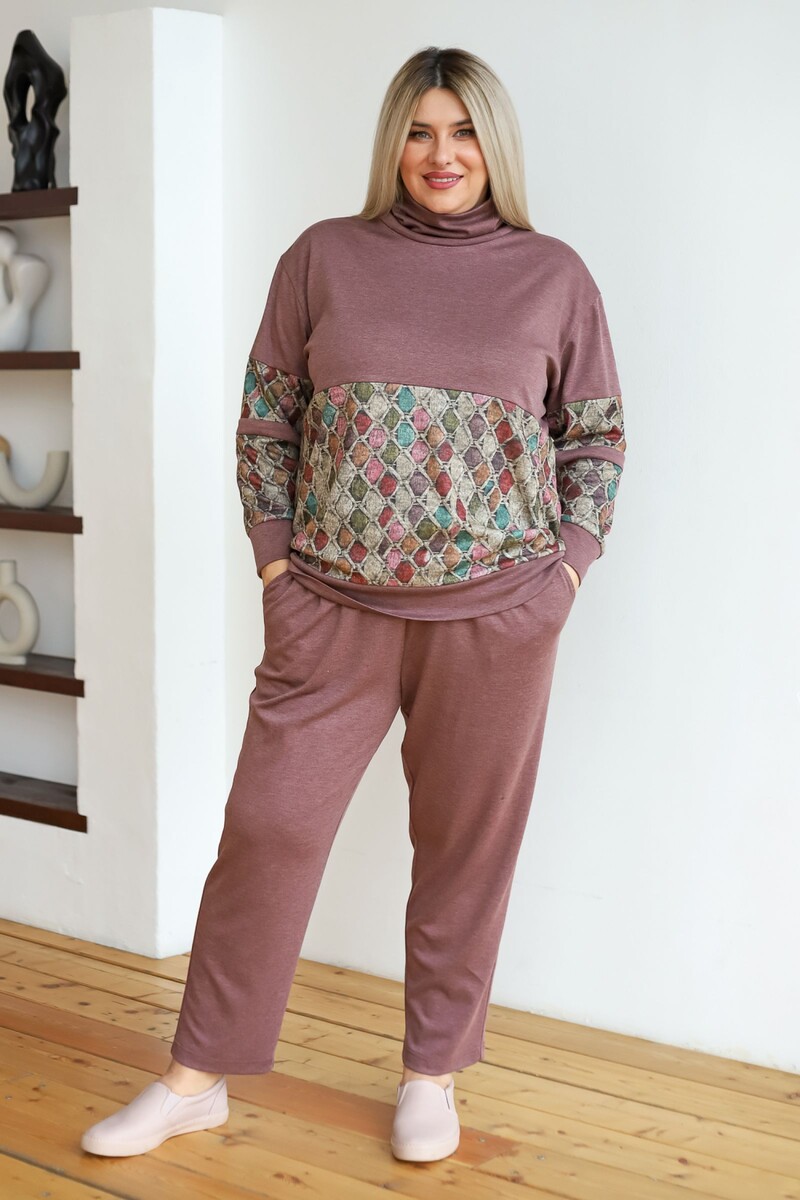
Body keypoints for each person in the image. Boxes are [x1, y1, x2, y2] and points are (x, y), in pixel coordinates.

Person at [81, 44, 626, 1165]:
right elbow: (266, 420)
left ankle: (432, 1074)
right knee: (266, 833)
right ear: (393, 143)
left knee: (463, 852)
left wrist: (564, 573)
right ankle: (195, 1079)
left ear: (494, 146)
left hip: (495, 616)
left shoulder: (553, 275)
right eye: (420, 131)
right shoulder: (322, 257)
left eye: (462, 132)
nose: (441, 154)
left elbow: (596, 437)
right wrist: (276, 569)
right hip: (329, 606)